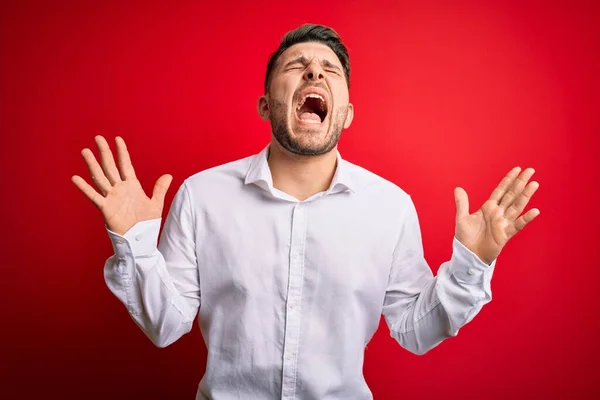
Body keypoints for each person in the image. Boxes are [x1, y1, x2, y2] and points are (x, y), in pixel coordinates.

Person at [72, 24, 540, 400]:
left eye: (329, 70)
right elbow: (164, 325)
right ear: (264, 105)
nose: (314, 73)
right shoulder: (202, 196)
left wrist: (471, 266)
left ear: (347, 113)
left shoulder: (390, 207)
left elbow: (415, 330)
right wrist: (133, 241)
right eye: (297, 66)